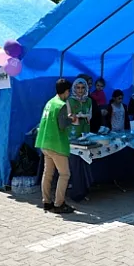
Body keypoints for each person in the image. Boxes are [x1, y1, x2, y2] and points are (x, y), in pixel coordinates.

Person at [35, 79, 76, 214]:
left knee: (48, 174)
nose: (69, 93)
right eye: (69, 91)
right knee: (65, 174)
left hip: (45, 143)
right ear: (65, 91)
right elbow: (62, 125)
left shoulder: (50, 102)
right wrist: (72, 119)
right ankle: (59, 203)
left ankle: (46, 202)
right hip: (56, 144)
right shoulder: (61, 105)